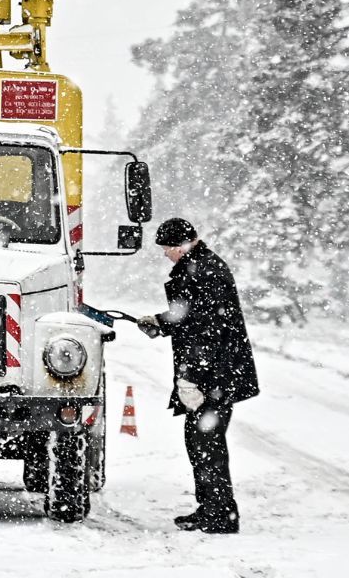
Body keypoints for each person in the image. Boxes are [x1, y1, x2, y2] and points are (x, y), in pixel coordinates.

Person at [133, 217, 259, 535]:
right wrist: (161, 323)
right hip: (213, 372)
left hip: (216, 375)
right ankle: (212, 510)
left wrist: (194, 379)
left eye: (166, 248)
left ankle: (221, 515)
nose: (165, 254)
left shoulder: (205, 270)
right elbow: (191, 316)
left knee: (207, 442)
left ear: (179, 246)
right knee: (199, 440)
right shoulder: (199, 266)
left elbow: (208, 326)